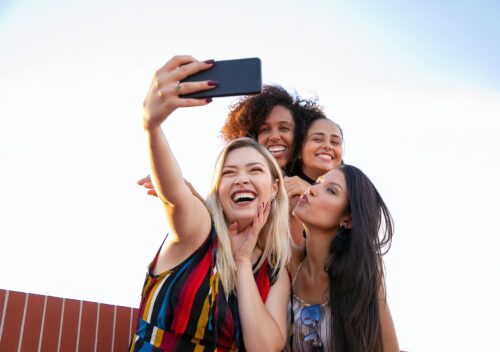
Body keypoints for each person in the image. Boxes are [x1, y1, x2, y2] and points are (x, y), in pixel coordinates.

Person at [130, 55, 291, 351]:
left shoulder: (275, 272)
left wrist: (242, 262)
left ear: (274, 188)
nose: (241, 179)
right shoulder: (199, 230)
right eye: (229, 173)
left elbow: (263, 348)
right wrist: (151, 126)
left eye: (254, 170)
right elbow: (174, 192)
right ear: (217, 191)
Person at [287, 164, 399, 351]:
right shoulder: (285, 262)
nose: (312, 190)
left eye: (330, 190)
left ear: (348, 219)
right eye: (318, 183)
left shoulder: (363, 277)